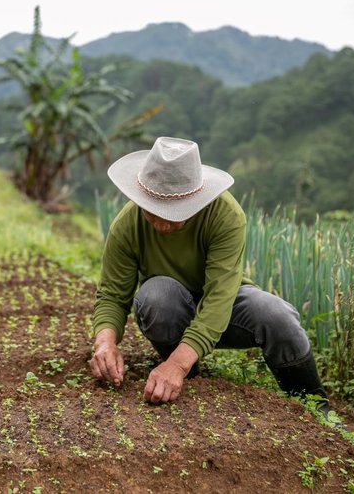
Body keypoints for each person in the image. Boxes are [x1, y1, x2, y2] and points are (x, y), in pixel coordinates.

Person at [89, 136, 330, 410]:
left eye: (172, 214)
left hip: (226, 308)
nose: (161, 223)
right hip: (172, 310)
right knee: (157, 297)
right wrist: (105, 343)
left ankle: (314, 404)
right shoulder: (127, 225)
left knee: (277, 315)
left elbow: (218, 300)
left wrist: (175, 366)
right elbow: (111, 296)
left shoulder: (225, 215)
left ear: (195, 200)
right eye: (152, 211)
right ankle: (188, 375)